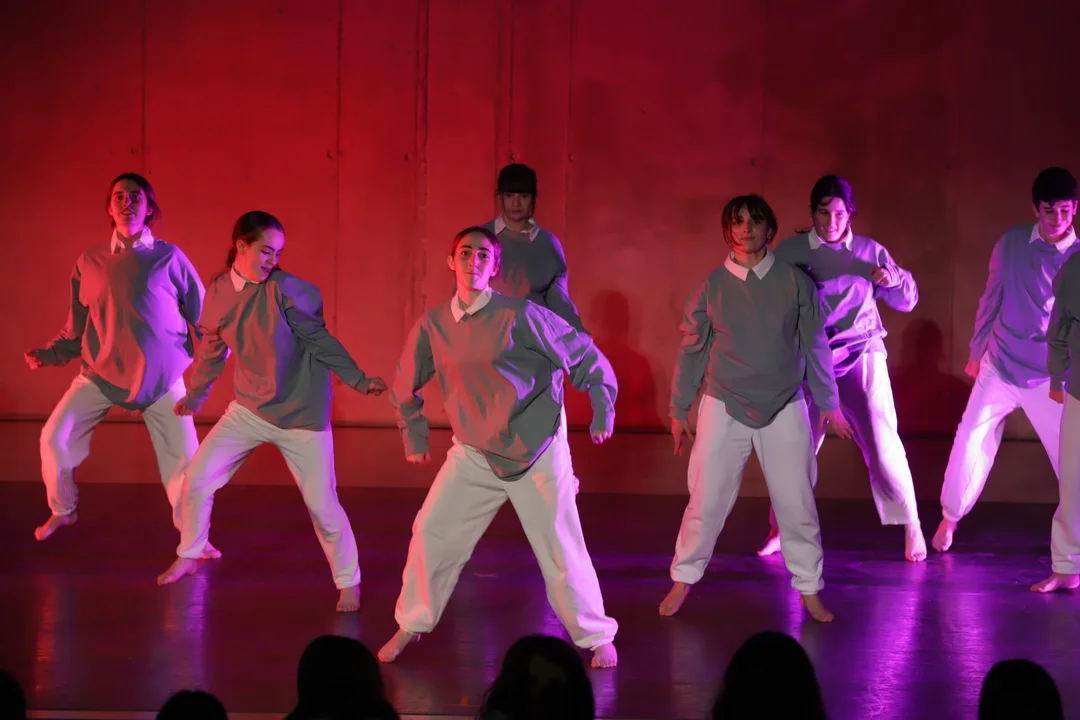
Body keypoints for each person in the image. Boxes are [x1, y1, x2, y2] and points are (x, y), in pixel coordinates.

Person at [379, 226, 619, 668]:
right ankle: (411, 623)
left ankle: (595, 634)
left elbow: (583, 355)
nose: (473, 261)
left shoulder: (521, 314)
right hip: (475, 451)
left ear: (495, 267)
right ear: (451, 261)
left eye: (483, 255)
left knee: (560, 544)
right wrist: (414, 434)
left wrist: (603, 406)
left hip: (536, 447)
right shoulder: (434, 324)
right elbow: (404, 385)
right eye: (465, 253)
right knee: (432, 531)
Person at [155, 211, 386, 612]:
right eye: (265, 251)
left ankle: (349, 581)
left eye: (278, 254)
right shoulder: (219, 292)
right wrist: (195, 394)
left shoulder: (288, 291)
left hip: (301, 415)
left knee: (323, 506)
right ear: (241, 246)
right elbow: (212, 350)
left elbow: (320, 341)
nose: (272, 261)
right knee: (196, 479)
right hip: (250, 409)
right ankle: (190, 553)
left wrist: (358, 379)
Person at [660, 194, 852, 622]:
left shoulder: (794, 282)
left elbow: (815, 343)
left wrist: (828, 401)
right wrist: (679, 409)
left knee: (797, 502)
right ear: (728, 230)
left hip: (784, 403)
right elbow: (692, 349)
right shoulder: (712, 286)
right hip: (725, 402)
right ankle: (683, 578)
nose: (746, 228)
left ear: (770, 229)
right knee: (706, 499)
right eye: (738, 221)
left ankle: (809, 587)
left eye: (755, 221)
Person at [25, 173, 209, 550]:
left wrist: (214, 362)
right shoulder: (89, 262)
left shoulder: (170, 257)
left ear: (149, 208)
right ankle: (63, 509)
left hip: (162, 379)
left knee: (185, 462)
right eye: (119, 197)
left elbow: (205, 318)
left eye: (135, 196)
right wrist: (49, 355)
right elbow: (76, 329)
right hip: (100, 374)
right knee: (54, 439)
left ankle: (194, 537)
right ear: (109, 208)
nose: (127, 202)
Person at [757, 175, 926, 562]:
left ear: (849, 214)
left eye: (838, 214)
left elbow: (907, 300)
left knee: (882, 444)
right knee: (795, 450)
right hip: (811, 360)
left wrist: (894, 279)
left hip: (862, 352)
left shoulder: (869, 251)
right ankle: (780, 528)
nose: (831, 222)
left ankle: (911, 522)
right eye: (823, 213)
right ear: (812, 213)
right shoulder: (792, 252)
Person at [934, 167, 1080, 553]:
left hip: (1050, 376)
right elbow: (991, 298)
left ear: (1075, 209)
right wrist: (975, 352)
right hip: (1000, 364)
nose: (1058, 219)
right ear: (1036, 209)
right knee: (970, 437)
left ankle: (1075, 543)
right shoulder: (1012, 243)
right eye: (1049, 210)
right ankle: (950, 517)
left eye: (1065, 210)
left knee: (1071, 458)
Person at [483, 163, 585, 332]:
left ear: (533, 198)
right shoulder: (481, 238)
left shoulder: (547, 243)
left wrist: (579, 335)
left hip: (534, 335)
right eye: (509, 195)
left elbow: (559, 301)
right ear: (500, 198)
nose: (516, 203)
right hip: (490, 333)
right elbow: (465, 292)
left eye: (523, 196)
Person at [1037, 248, 1080, 592]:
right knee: (1073, 481)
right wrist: (1056, 377)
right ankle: (1067, 566)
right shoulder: (1075, 269)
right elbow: (1059, 326)